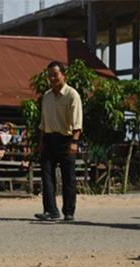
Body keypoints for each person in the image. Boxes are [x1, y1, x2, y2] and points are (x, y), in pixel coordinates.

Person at [34, 61, 83, 221]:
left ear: (64, 75)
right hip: (49, 139)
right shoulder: (46, 96)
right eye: (50, 75)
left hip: (67, 140)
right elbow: (43, 122)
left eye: (55, 74)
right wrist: (41, 142)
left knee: (68, 176)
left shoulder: (72, 95)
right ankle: (50, 210)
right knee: (47, 175)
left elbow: (77, 122)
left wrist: (74, 141)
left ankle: (69, 211)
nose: (52, 78)